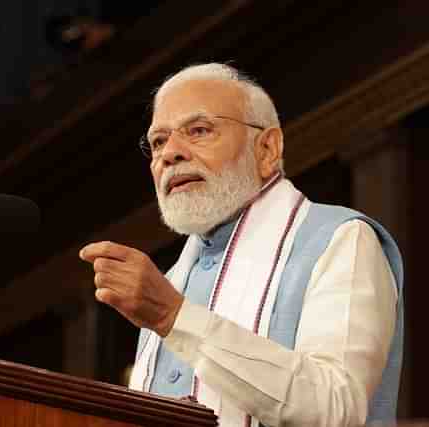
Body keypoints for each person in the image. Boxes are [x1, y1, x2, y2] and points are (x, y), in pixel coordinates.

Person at [79, 63, 404, 427]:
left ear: (267, 149)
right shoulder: (170, 281)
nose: (170, 153)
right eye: (158, 141)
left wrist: (175, 317)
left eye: (198, 130)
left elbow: (335, 408)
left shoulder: (340, 239)